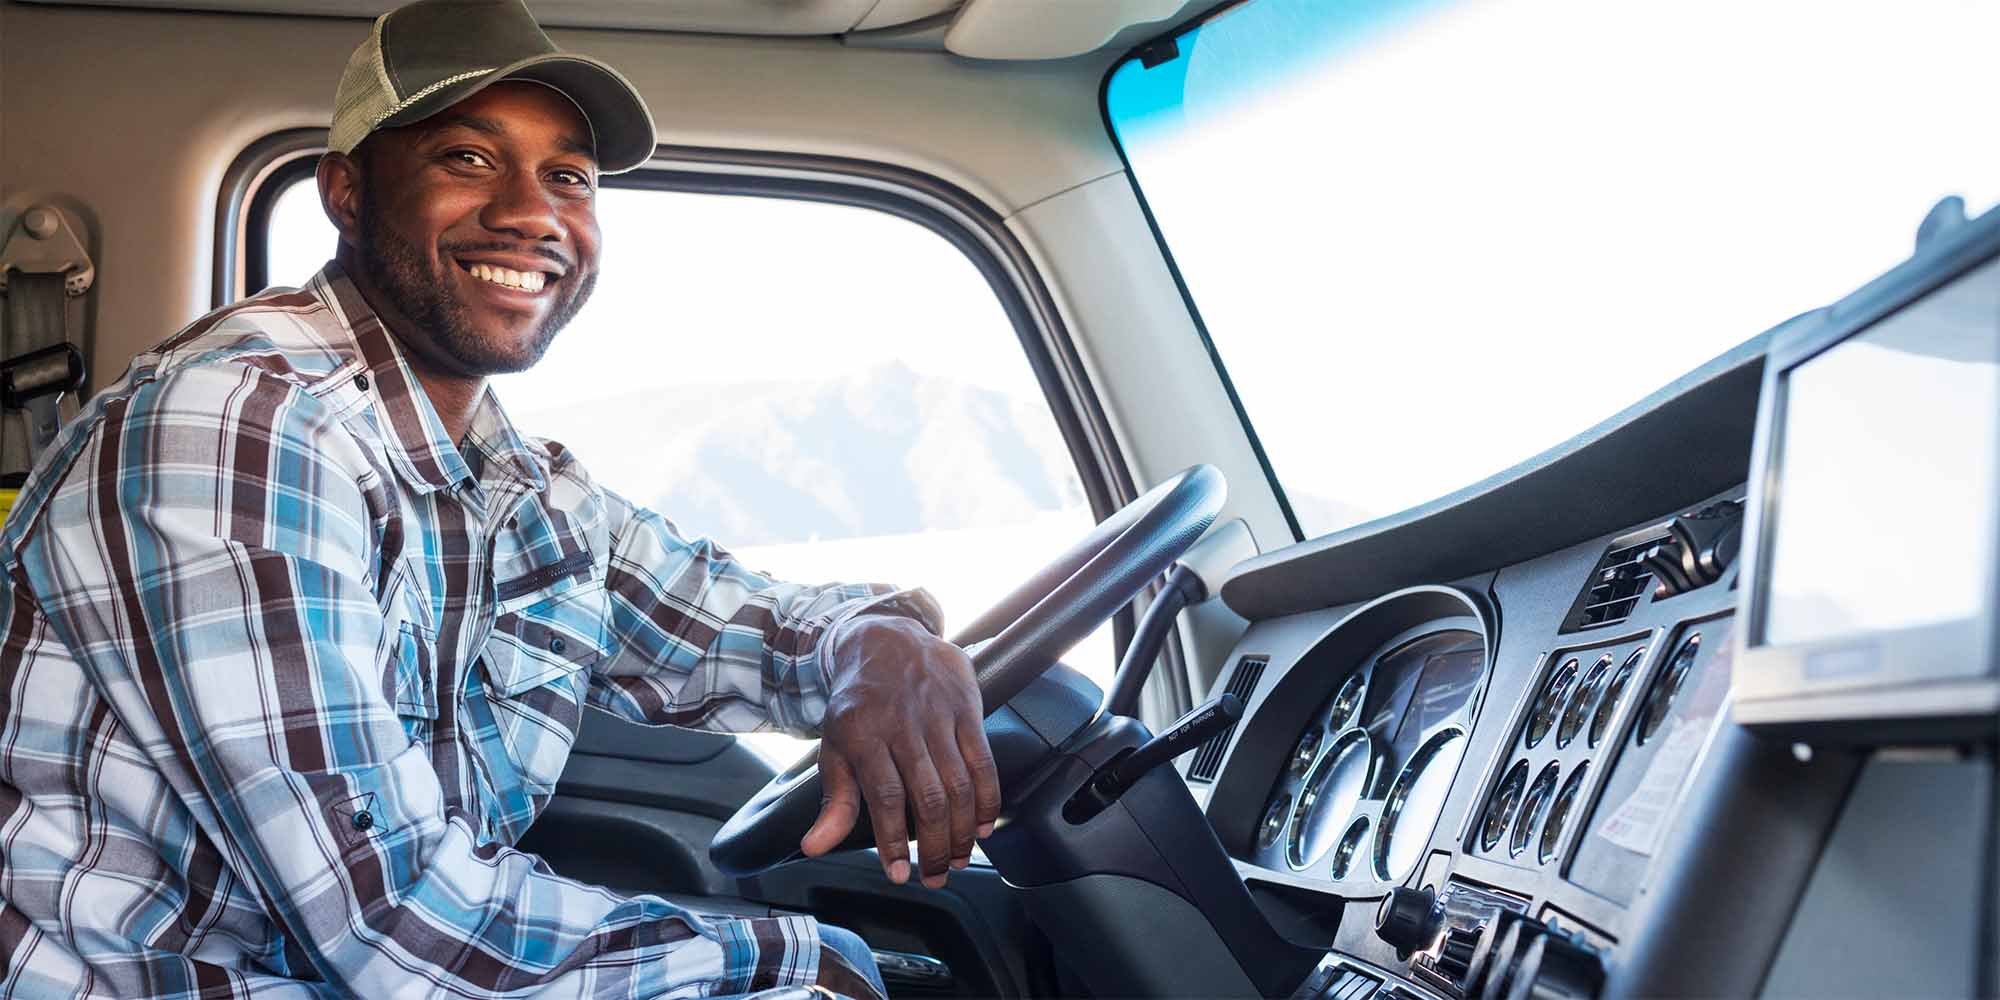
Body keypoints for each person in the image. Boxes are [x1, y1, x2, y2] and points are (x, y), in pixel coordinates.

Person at [0, 1, 999, 996]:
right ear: (346, 192)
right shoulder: (236, 426)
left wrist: (877, 639)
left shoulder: (509, 477)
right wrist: (802, 958)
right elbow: (392, 923)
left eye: (566, 176)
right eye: (466, 160)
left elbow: (720, 614)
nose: (531, 211)